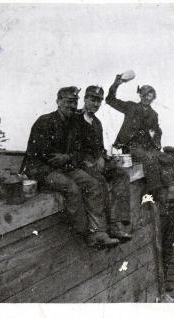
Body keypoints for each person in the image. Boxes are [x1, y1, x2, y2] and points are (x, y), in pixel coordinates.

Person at [21, 87, 119, 247]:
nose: (72, 106)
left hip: (64, 166)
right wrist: (65, 158)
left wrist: (67, 157)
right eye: (68, 102)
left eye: (75, 102)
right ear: (58, 101)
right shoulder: (44, 121)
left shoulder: (74, 123)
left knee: (93, 184)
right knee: (71, 188)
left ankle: (99, 232)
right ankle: (86, 234)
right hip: (41, 169)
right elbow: (44, 155)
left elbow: (81, 151)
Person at [68, 85, 132, 242]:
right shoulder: (74, 119)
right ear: (85, 99)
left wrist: (104, 157)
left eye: (99, 101)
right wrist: (87, 161)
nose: (96, 104)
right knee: (100, 181)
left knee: (121, 175)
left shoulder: (97, 123)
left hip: (96, 162)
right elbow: (70, 147)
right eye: (93, 100)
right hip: (80, 163)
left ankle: (116, 223)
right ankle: (99, 230)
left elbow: (99, 148)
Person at [105, 74, 164, 197]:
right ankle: (155, 191)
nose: (147, 98)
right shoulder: (131, 107)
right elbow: (110, 100)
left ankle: (154, 191)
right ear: (140, 95)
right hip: (124, 147)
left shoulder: (154, 115)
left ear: (153, 98)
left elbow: (156, 132)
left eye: (150, 96)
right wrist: (116, 84)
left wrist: (157, 146)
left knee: (160, 158)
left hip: (142, 148)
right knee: (143, 161)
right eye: (144, 95)